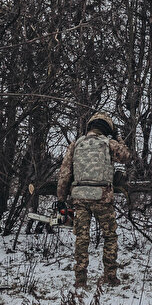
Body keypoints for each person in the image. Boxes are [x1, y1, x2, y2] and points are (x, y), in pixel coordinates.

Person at [56, 111, 132, 288]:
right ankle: (110, 276)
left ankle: (80, 280)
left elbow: (65, 173)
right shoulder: (109, 143)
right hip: (102, 197)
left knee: (82, 238)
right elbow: (126, 156)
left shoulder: (76, 144)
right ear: (107, 129)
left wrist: (61, 197)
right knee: (110, 237)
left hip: (80, 197)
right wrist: (118, 138)